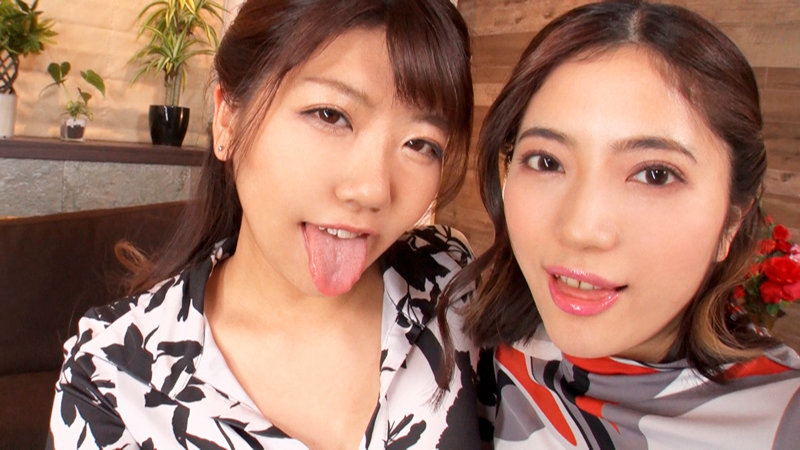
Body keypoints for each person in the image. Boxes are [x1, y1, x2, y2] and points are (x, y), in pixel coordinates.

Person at [49, 0, 480, 448]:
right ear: (227, 120)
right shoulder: (111, 384)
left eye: (421, 144)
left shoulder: (449, 284)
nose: (373, 190)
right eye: (330, 115)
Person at [439, 0, 800, 447]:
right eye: (547, 161)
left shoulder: (781, 421)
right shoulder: (465, 350)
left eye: (655, 175)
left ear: (731, 221)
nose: (581, 229)